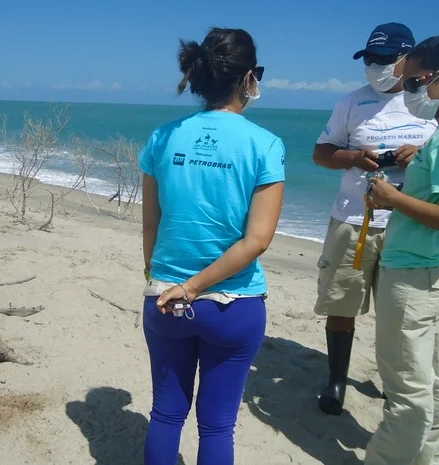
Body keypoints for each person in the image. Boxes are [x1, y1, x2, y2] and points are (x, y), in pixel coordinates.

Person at [139, 27, 285, 465]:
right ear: (250, 78)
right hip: (233, 305)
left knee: (166, 414)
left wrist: (165, 280)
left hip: (165, 299)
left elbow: (151, 224)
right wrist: (197, 286)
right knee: (217, 425)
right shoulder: (265, 144)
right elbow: (257, 240)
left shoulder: (162, 137)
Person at [311, 22, 438, 416]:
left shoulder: (431, 104)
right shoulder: (352, 102)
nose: (375, 65)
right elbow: (321, 153)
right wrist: (354, 157)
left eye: (384, 59)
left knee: (399, 311)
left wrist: (418, 152)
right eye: (369, 58)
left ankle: (395, 383)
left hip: (409, 228)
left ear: (407, 60)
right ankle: (336, 380)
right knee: (341, 302)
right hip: (352, 219)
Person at [364, 36, 439, 465]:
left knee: (408, 394)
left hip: (413, 274)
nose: (409, 91)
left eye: (414, 81)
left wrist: (392, 199)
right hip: (430, 269)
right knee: (433, 389)